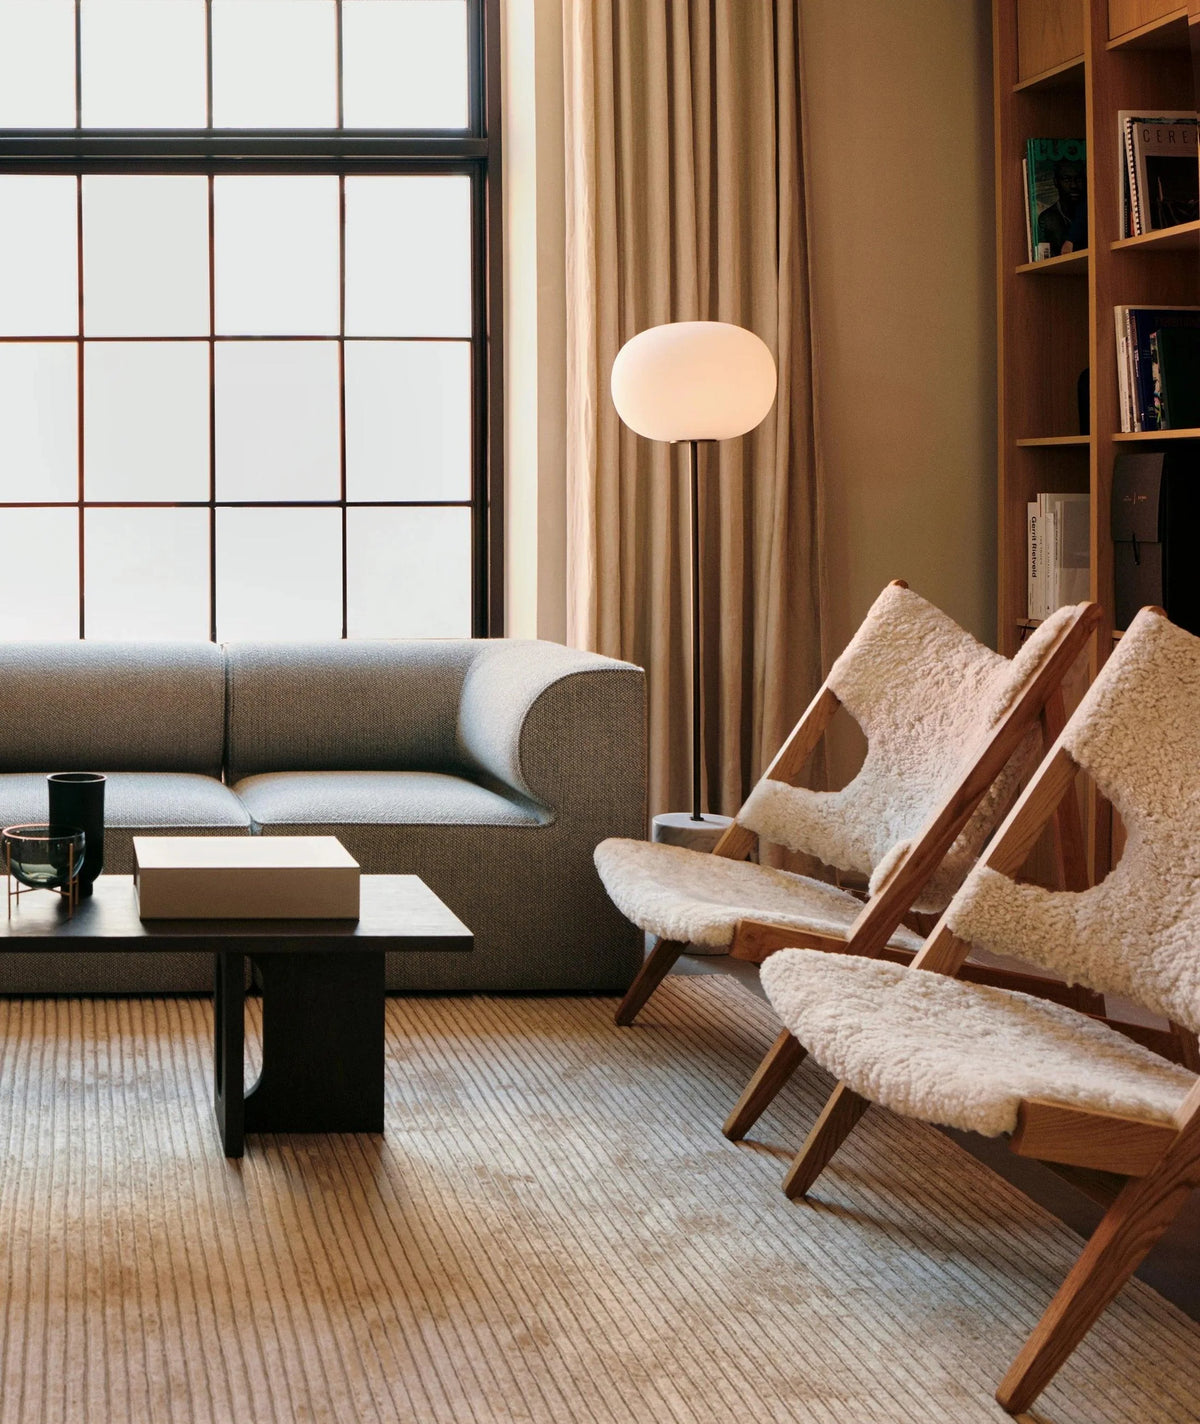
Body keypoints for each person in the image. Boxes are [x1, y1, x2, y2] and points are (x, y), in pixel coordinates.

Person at [1037, 157, 1087, 256]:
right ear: (1056, 182)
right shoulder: (1047, 219)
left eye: (1079, 179)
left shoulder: (1089, 213)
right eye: (1067, 179)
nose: (1073, 185)